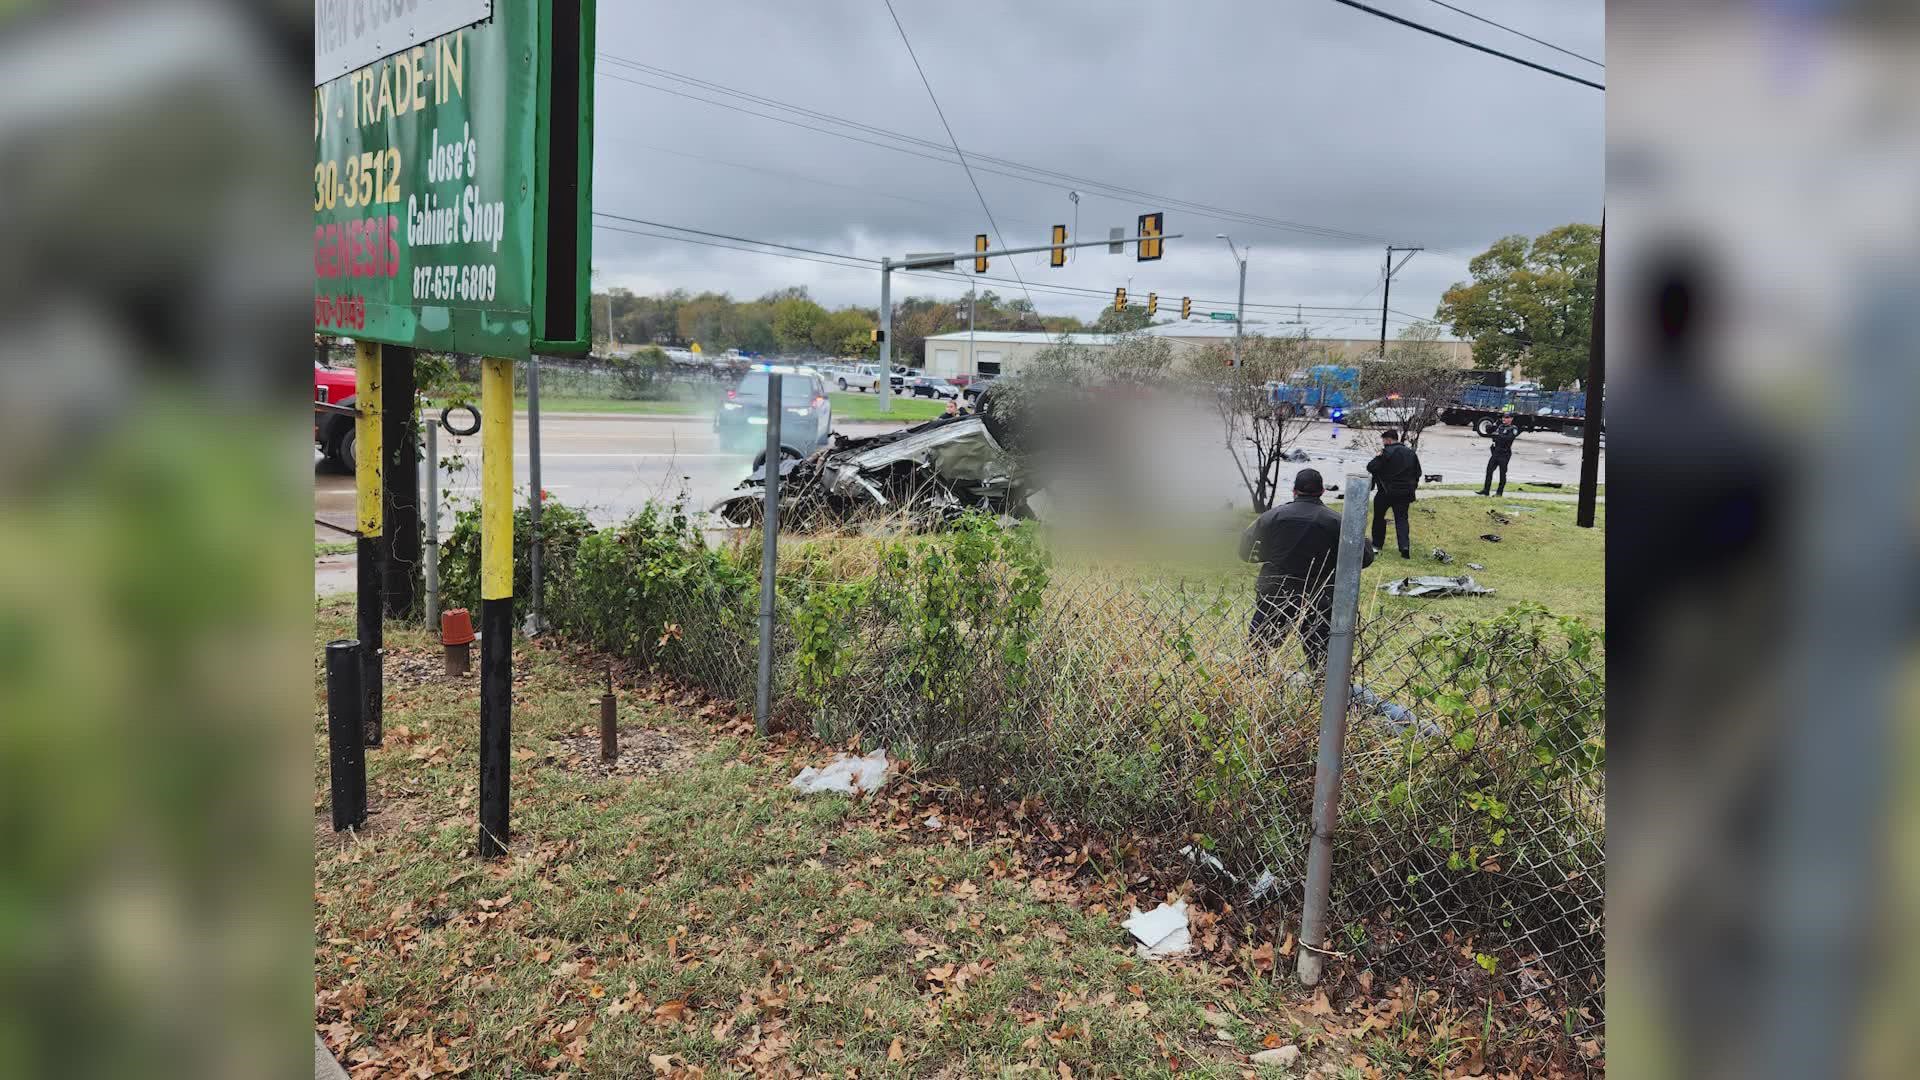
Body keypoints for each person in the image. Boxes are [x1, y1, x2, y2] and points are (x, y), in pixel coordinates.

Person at [1240, 468, 1373, 667]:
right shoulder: (1337, 522)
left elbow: (1246, 551)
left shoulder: (1272, 516)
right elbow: (1364, 558)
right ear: (1322, 491)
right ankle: (1320, 689)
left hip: (1275, 591)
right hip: (1318, 594)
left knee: (1259, 648)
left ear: (1294, 491)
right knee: (1319, 654)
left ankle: (1251, 682)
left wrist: (1270, 556)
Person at [1366, 428, 1422, 558]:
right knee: (1402, 519)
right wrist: (1412, 487)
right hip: (1404, 493)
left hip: (1386, 492)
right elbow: (1418, 473)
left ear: (1388, 440)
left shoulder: (1386, 452)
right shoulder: (1411, 453)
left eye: (1384, 441)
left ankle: (1377, 544)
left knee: (1379, 518)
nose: (1384, 443)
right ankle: (1404, 546)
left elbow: (1371, 466)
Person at [1478, 408, 1520, 496]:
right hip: (1496, 452)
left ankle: (1499, 492)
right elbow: (1488, 431)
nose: (1504, 419)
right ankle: (1486, 490)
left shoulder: (1513, 428)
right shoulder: (1500, 426)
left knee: (1502, 473)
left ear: (1511, 419)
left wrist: (1497, 435)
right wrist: (1495, 422)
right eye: (1503, 417)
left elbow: (1508, 439)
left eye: (1507, 417)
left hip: (1504, 453)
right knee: (1489, 471)